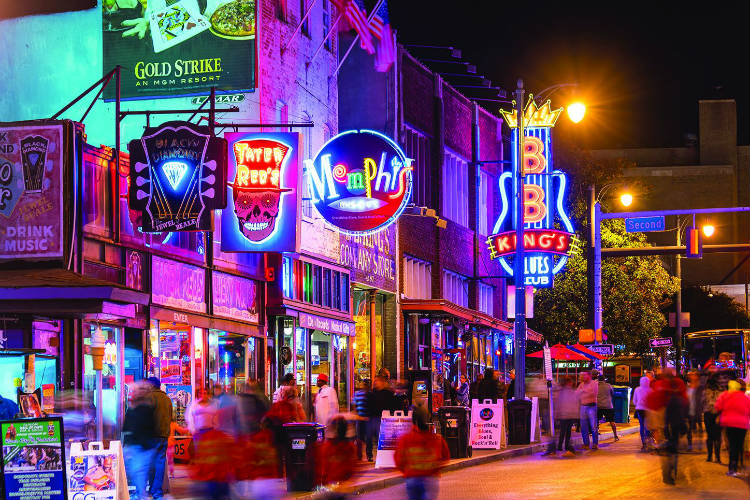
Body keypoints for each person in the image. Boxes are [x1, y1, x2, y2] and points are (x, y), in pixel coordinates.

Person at [394, 406, 450, 500]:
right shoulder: (437, 438)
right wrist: (435, 469)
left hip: (412, 478)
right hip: (430, 479)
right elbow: (446, 457)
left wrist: (407, 471)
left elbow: (399, 460)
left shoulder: (405, 439)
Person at [122, 381, 157, 500]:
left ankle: (141, 495)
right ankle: (140, 494)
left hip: (141, 447)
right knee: (137, 472)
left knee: (139, 472)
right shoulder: (136, 408)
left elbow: (134, 427)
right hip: (138, 446)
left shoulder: (143, 409)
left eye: (134, 391)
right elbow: (127, 427)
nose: (132, 393)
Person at [315, 416, 358, 500]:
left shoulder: (327, 446)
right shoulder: (349, 447)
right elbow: (352, 468)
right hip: (341, 486)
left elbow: (322, 468)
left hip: (332, 487)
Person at [714, 379, 750, 476]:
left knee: (732, 445)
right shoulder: (745, 398)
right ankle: (740, 464)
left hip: (729, 424)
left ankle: (732, 468)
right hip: (742, 425)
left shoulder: (725, 395)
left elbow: (717, 406)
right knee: (739, 444)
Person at [146, 377, 172, 500]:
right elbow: (170, 417)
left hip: (151, 436)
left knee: (151, 463)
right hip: (164, 435)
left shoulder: (149, 398)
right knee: (160, 463)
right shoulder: (167, 399)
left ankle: (153, 489)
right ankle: (157, 491)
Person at [662, 377, 689, 485]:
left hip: (671, 427)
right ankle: (671, 472)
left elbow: (667, 416)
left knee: (672, 450)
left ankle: (670, 471)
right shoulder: (680, 399)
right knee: (673, 450)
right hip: (675, 427)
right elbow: (682, 415)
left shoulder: (669, 399)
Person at [544, 376, 579, 457]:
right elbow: (571, 403)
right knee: (565, 432)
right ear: (568, 383)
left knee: (563, 432)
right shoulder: (567, 391)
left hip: (565, 415)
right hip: (566, 414)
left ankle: (562, 448)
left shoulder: (563, 391)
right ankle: (565, 448)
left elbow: (560, 402)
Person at [365, 376, 396, 462]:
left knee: (381, 438)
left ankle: (382, 455)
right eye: (374, 381)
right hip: (371, 418)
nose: (375, 383)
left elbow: (392, 405)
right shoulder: (371, 393)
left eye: (377, 381)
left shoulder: (388, 393)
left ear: (382, 382)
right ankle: (369, 455)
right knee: (369, 438)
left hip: (382, 418)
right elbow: (367, 404)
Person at [703, 373, 723, 463]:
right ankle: (717, 457)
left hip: (708, 414)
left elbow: (702, 403)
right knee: (718, 436)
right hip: (718, 414)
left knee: (710, 436)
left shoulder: (705, 391)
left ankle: (709, 456)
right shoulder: (721, 391)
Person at [576, 370, 599, 450]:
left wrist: (583, 392)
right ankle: (586, 443)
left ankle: (595, 443)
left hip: (591, 406)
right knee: (583, 426)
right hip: (583, 406)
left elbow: (593, 394)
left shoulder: (594, 383)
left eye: (583, 375)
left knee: (593, 426)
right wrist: (583, 392)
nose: (581, 377)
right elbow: (576, 394)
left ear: (589, 376)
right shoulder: (581, 384)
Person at [595, 374, 618, 441]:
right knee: (612, 421)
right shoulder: (608, 386)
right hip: (608, 406)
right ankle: (615, 436)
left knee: (596, 421)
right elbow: (612, 394)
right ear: (604, 379)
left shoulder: (595, 386)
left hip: (598, 406)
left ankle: (595, 435)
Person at [632, 376, 652, 452]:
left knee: (641, 425)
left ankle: (643, 443)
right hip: (648, 410)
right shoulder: (650, 390)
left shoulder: (637, 389)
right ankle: (647, 442)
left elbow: (634, 401)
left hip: (639, 409)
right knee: (647, 426)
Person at [685, 370, 703, 451]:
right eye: (691, 375)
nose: (692, 376)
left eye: (694, 375)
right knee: (689, 429)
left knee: (699, 427)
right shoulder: (687, 387)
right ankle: (690, 445)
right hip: (689, 410)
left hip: (698, 410)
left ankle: (700, 443)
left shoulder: (700, 387)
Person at [353, 380, 371, 461]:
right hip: (360, 418)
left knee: (367, 437)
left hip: (367, 418)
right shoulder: (357, 393)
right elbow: (354, 405)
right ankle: (359, 455)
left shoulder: (369, 394)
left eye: (365, 384)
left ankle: (368, 455)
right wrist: (356, 415)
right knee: (360, 437)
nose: (363, 385)